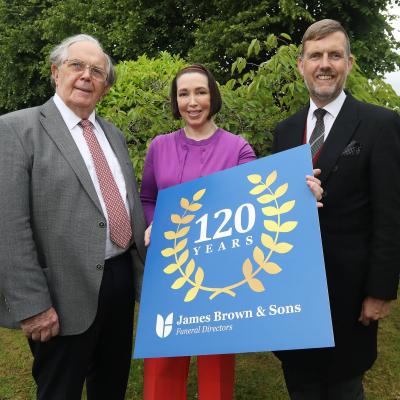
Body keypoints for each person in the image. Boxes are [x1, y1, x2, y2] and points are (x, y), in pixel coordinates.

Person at [140, 64, 323, 400]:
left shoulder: (237, 148)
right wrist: (154, 223)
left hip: (219, 275)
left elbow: (255, 203)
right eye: (184, 94)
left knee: (216, 371)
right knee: (161, 366)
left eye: (200, 92)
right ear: (175, 100)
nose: (192, 101)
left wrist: (302, 194)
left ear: (213, 96)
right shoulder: (159, 147)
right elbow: (148, 198)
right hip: (167, 270)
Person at [0, 34, 146, 400]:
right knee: (59, 391)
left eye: (97, 71)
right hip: (60, 294)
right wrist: (32, 305)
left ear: (105, 86)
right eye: (76, 65)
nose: (86, 76)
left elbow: (127, 204)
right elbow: (8, 224)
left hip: (119, 281)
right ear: (55, 72)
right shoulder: (17, 129)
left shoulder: (113, 135)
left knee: (111, 385)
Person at [272, 19, 400, 400]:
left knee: (343, 387)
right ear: (301, 65)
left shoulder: (380, 125)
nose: (324, 63)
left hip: (349, 295)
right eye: (315, 55)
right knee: (299, 382)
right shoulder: (285, 130)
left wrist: (380, 290)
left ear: (350, 62)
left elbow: (390, 216)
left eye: (334, 55)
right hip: (292, 289)